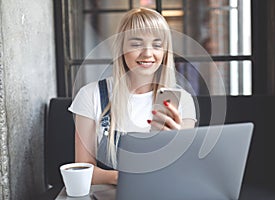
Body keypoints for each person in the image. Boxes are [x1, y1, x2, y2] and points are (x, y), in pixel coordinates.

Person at [68, 7, 197, 185]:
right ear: (121, 48)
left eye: (157, 45)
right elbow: (83, 169)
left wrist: (175, 144)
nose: (147, 53)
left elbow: (185, 171)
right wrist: (125, 179)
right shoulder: (91, 95)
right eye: (136, 44)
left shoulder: (182, 101)